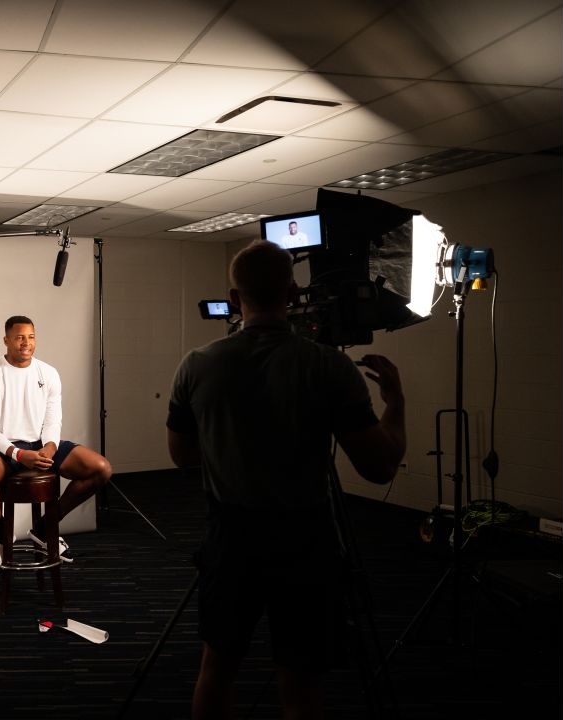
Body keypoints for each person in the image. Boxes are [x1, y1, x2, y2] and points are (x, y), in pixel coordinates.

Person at [166, 240, 406, 720]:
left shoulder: (197, 364)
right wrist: (396, 404)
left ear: (235, 298)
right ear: (293, 293)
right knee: (301, 684)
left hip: (230, 539)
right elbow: (378, 467)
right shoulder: (329, 366)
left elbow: (182, 456)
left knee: (217, 668)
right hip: (304, 542)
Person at [0, 315, 112, 574]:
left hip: (41, 443)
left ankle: (45, 529)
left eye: (31, 337)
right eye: (20, 337)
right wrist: (19, 454)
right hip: (4, 447)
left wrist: (51, 447)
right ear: (6, 340)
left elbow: (52, 420)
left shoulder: (48, 373)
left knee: (100, 469)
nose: (26, 343)